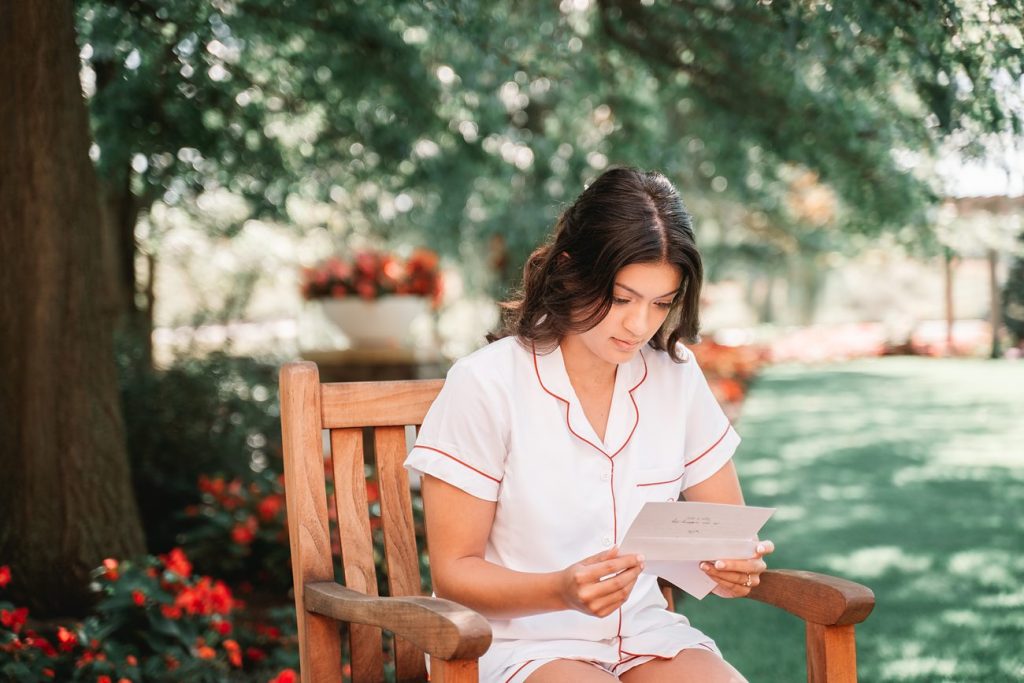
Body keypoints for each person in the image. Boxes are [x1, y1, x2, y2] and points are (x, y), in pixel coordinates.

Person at [404, 167, 773, 682]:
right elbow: (455, 573)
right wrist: (560, 589)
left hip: (647, 636)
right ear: (570, 268)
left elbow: (724, 531)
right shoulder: (486, 384)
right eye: (622, 299)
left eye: (661, 303)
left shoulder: (676, 376)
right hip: (520, 644)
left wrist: (734, 568)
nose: (640, 325)